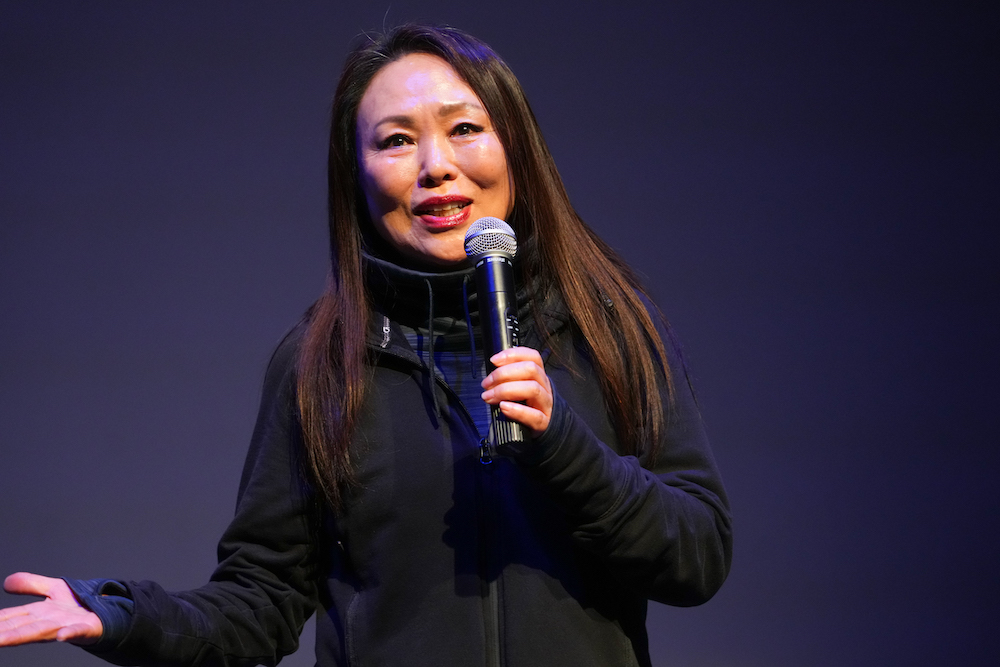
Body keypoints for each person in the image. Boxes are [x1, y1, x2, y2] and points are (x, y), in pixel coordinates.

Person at [0, 24, 732, 667]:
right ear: (355, 178)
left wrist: (565, 449)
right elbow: (260, 602)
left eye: (464, 129)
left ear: (517, 146)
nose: (436, 165)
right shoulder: (320, 364)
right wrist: (125, 614)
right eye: (396, 140)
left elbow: (697, 555)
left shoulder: (610, 329)